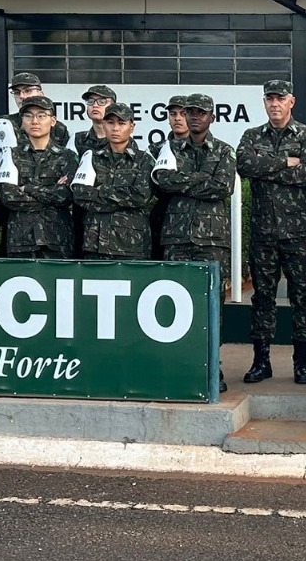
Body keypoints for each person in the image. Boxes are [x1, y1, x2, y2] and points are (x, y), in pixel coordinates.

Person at [236, 79, 306, 385]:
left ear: (291, 101)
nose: (275, 103)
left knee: (303, 297)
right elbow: (246, 166)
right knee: (263, 298)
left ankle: (302, 363)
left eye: (280, 98)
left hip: (299, 233)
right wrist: (286, 162)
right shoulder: (251, 136)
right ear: (264, 102)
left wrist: (268, 167)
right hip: (264, 232)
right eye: (269, 98)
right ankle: (261, 362)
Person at [152, 92, 236, 393]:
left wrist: (185, 180)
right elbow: (163, 180)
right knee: (175, 303)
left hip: (211, 239)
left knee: (212, 306)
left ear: (212, 116)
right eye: (190, 112)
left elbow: (223, 186)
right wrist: (202, 179)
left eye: (201, 112)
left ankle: (214, 368)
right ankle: (178, 366)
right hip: (176, 237)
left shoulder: (225, 151)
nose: (195, 117)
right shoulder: (168, 149)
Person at [71, 102, 156, 260]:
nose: (115, 128)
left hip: (130, 244)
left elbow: (140, 197)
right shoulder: (91, 157)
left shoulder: (144, 160)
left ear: (132, 126)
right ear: (103, 125)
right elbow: (80, 194)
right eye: (110, 123)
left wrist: (99, 191)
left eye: (121, 123)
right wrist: (122, 196)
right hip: (94, 242)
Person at [0, 95, 78, 259]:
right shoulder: (11, 155)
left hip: (57, 238)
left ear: (53, 121)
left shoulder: (67, 156)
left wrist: (26, 188)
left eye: (41, 115)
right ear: (21, 121)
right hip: (20, 239)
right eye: (28, 115)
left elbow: (65, 196)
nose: (35, 121)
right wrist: (50, 192)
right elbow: (9, 197)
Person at [149, 93, 189, 260]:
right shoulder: (155, 150)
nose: (177, 119)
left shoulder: (206, 149)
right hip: (163, 220)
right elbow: (157, 186)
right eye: (173, 114)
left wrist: (175, 181)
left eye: (183, 114)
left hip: (196, 225)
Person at [3, 72, 69, 147]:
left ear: (41, 94)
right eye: (16, 92)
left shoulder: (58, 129)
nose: (21, 96)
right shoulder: (6, 124)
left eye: (27, 91)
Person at [75, 85, 117, 155]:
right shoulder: (77, 139)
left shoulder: (122, 141)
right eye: (90, 101)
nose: (95, 105)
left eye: (102, 101)